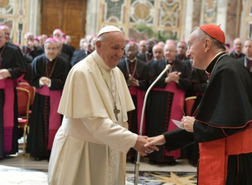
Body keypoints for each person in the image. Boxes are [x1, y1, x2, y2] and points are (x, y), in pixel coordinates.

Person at [145, 24, 252, 184]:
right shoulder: (228, 67)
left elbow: (227, 126)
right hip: (233, 158)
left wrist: (195, 126)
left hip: (230, 163)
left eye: (190, 45)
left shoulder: (226, 71)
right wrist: (162, 138)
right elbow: (210, 122)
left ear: (207, 44)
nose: (187, 53)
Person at [48, 25, 157, 185]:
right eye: (115, 48)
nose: (120, 54)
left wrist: (130, 140)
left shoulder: (117, 73)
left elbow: (121, 117)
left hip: (111, 147)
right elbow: (94, 122)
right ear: (98, 45)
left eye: (122, 48)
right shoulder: (82, 72)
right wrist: (133, 140)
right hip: (82, 152)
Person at [146, 43, 191, 165]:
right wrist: (166, 80)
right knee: (157, 126)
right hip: (159, 101)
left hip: (176, 100)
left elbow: (189, 83)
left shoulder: (183, 65)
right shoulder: (156, 64)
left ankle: (171, 157)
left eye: (171, 51)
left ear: (175, 52)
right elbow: (149, 81)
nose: (168, 53)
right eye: (166, 50)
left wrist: (177, 80)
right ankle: (154, 156)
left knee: (173, 127)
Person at [26, 38, 71, 160]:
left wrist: (52, 82)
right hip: (40, 99)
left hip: (57, 99)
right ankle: (39, 152)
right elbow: (31, 78)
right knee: (39, 125)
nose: (51, 51)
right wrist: (40, 81)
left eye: (53, 48)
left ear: (58, 50)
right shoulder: (37, 61)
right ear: (44, 49)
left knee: (56, 124)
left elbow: (67, 82)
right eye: (48, 48)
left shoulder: (64, 63)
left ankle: (54, 151)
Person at [117, 42, 149, 162]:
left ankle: (134, 154)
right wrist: (127, 82)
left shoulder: (143, 65)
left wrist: (137, 83)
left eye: (132, 50)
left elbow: (147, 83)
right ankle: (123, 151)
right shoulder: (119, 64)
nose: (130, 52)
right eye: (128, 50)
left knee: (135, 124)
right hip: (122, 99)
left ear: (137, 51)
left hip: (137, 99)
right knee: (123, 123)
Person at [0, 29, 27, 159]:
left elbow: (22, 68)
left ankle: (4, 149)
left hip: (6, 90)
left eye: (0, 36)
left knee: (5, 118)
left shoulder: (13, 50)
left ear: (5, 38)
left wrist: (9, 72)